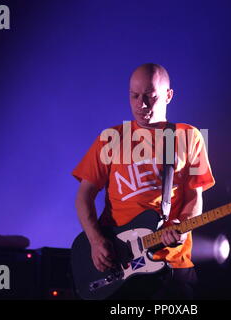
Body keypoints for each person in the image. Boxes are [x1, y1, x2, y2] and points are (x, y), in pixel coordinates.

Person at [72, 63, 215, 299]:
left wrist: (181, 225)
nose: (141, 104)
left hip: (171, 265)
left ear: (168, 96)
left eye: (150, 97)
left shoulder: (189, 137)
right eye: (134, 96)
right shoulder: (111, 138)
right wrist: (96, 241)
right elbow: (83, 197)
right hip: (120, 264)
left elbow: (194, 197)